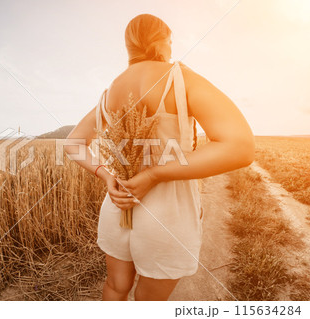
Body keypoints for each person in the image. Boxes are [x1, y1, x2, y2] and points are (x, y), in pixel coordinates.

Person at [63, 13, 255, 301]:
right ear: (164, 41)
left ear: (128, 46)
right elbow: (240, 147)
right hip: (167, 217)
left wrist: (107, 175)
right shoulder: (179, 77)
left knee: (115, 287)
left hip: (117, 209)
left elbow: (73, 143)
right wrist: (154, 174)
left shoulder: (111, 91)